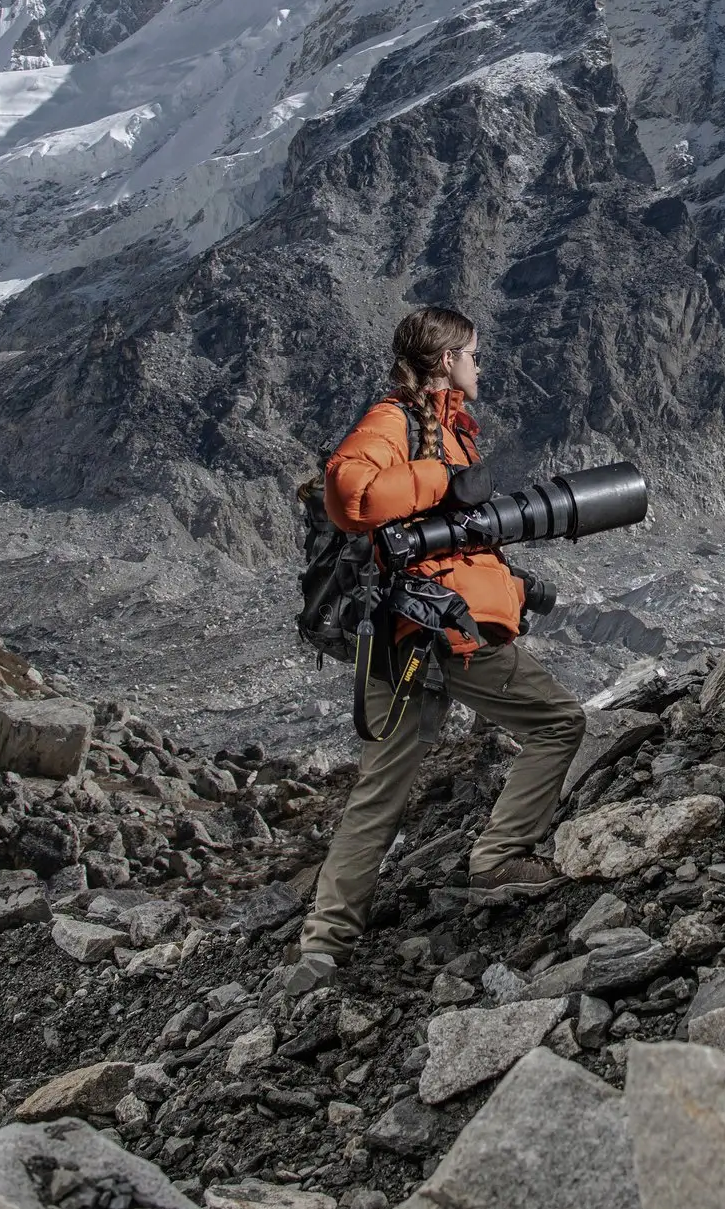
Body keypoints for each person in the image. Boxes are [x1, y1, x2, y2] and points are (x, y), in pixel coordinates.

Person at [288, 306, 586, 984]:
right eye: (474, 355)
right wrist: (438, 480)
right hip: (440, 630)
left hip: (411, 630)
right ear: (446, 360)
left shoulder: (446, 426)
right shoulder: (396, 422)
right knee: (560, 723)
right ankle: (499, 859)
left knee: (382, 788)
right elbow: (348, 491)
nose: (480, 366)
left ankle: (325, 944)